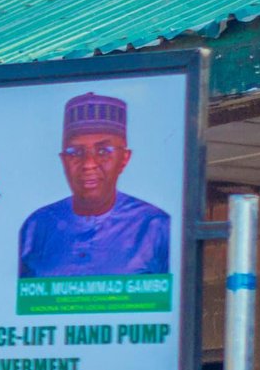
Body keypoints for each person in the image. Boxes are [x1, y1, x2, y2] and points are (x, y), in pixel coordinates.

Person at [18, 92, 170, 278]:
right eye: (75, 152)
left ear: (124, 159)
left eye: (103, 151)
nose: (89, 164)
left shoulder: (154, 226)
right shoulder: (37, 226)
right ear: (64, 160)